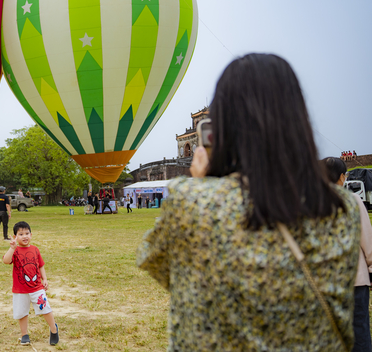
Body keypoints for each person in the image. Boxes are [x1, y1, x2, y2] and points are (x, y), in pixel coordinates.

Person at [137, 54, 360, 351]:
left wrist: (205, 181)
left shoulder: (191, 201)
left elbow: (161, 266)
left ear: (222, 127)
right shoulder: (344, 208)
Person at [323, 157, 372, 352]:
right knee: (359, 334)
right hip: (355, 280)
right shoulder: (352, 200)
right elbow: (367, 238)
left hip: (324, 283)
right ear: (341, 177)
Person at [2, 221, 59, 346]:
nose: (25, 236)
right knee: (22, 312)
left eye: (27, 233)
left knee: (45, 308)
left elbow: (41, 266)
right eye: (21, 234)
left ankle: (54, 330)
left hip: (36, 287)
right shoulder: (15, 250)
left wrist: (45, 279)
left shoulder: (35, 249)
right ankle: (24, 334)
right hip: (20, 289)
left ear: (31, 235)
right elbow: (6, 261)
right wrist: (11, 248)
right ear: (15, 237)